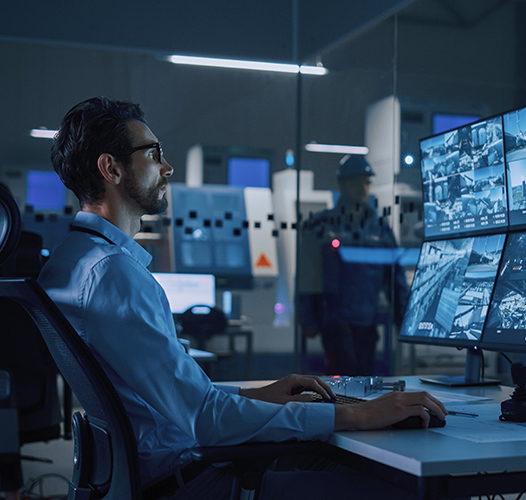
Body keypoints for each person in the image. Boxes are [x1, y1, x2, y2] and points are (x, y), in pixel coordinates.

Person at [37, 97, 446, 500]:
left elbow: (177, 398)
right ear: (111, 168)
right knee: (406, 488)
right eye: (154, 153)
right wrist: (359, 413)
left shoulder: (72, 262)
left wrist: (259, 394)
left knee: (335, 455)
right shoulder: (114, 275)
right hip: (193, 479)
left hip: (154, 471)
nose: (167, 167)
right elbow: (203, 420)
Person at [298, 155, 409, 375]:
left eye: (366, 182)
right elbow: (307, 274)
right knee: (343, 377)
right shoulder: (322, 224)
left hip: (367, 319)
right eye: (356, 181)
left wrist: (402, 317)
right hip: (335, 319)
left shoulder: (380, 228)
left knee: (365, 377)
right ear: (342, 184)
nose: (362, 187)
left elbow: (395, 275)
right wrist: (307, 318)